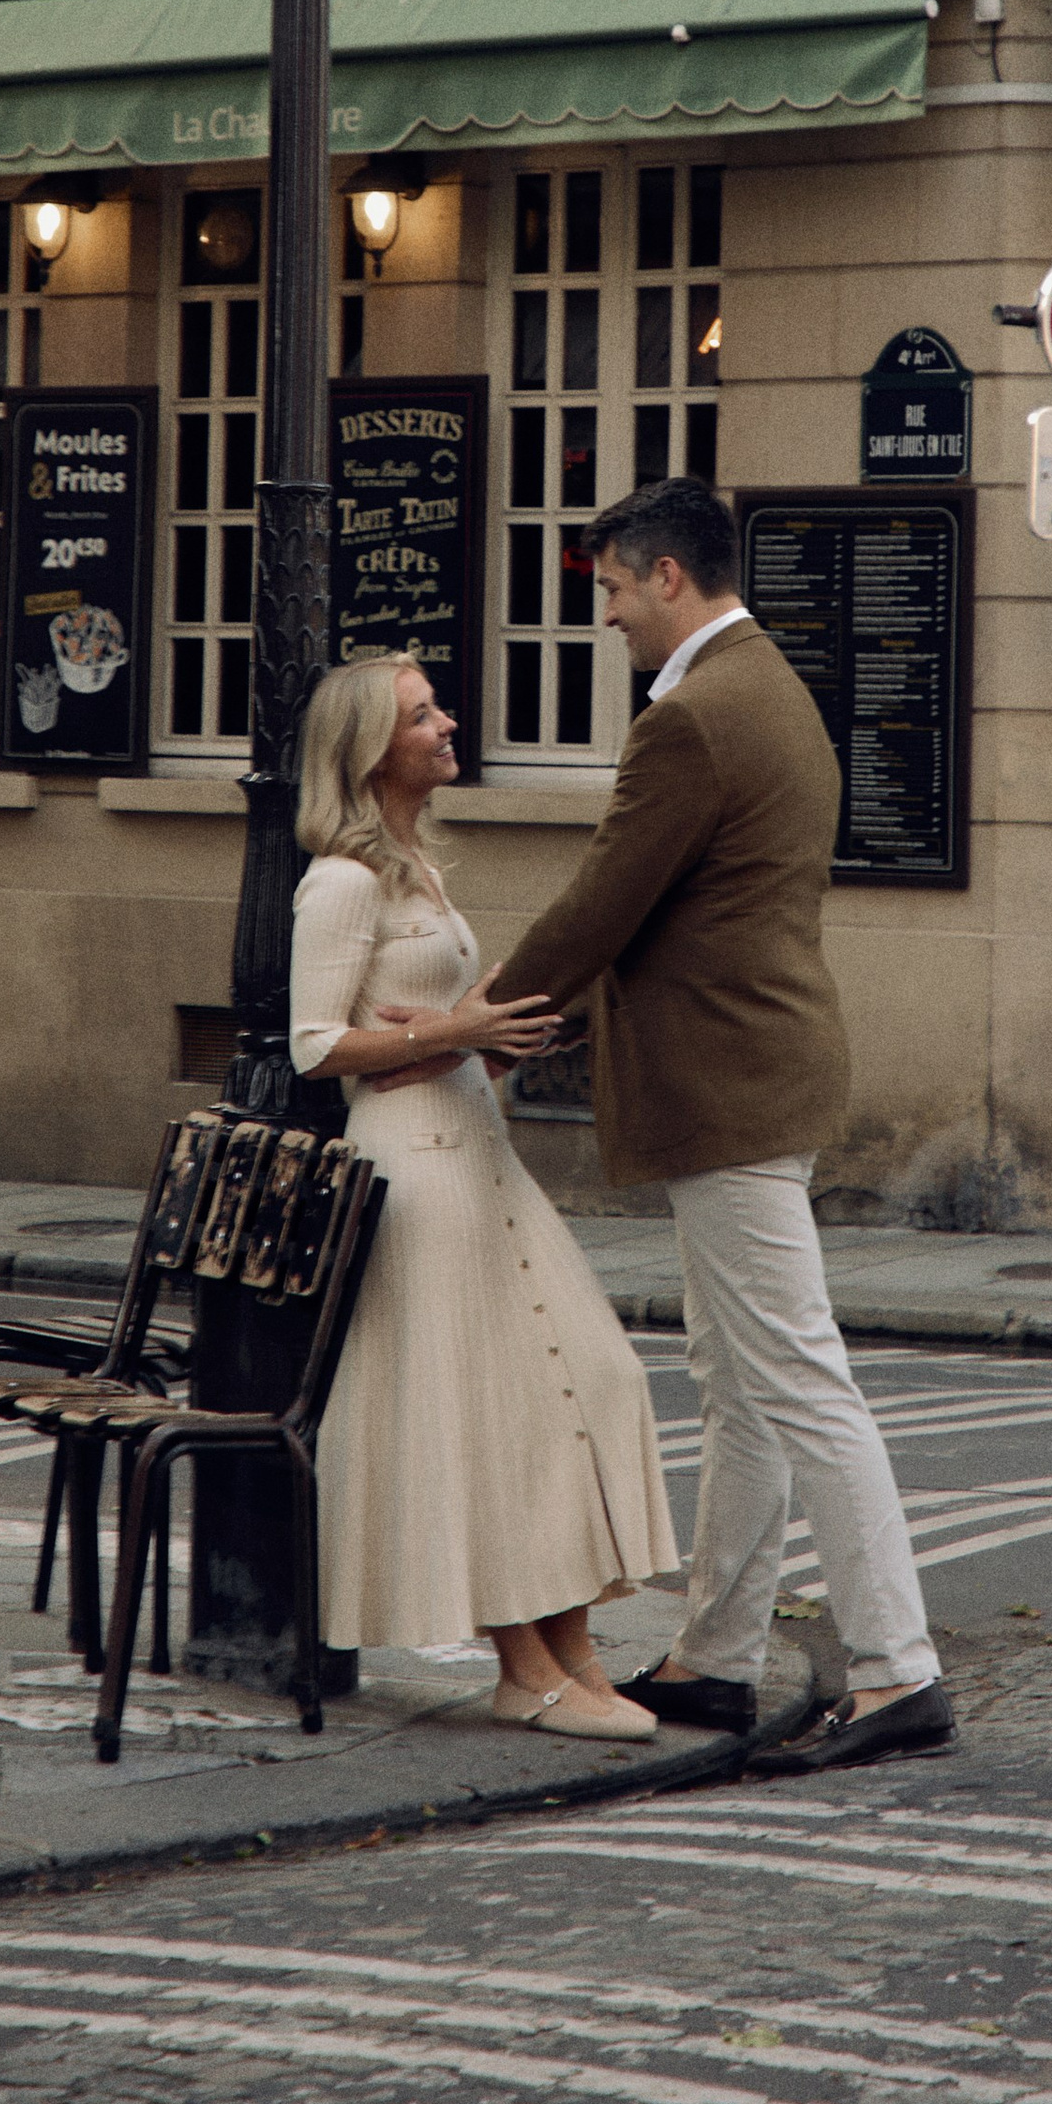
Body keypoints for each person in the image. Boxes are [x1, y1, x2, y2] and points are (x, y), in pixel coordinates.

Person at [498, 477, 953, 1776]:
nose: (606, 616)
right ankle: (716, 1656)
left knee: (799, 1381)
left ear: (668, 580)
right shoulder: (774, 686)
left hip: (730, 1088)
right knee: (743, 1384)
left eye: (610, 590)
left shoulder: (694, 718)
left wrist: (483, 1016)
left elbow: (604, 902)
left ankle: (896, 1668)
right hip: (764, 1075)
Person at [289, 651, 679, 1740]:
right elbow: (314, 1046)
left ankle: (574, 1655)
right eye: (423, 715)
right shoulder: (343, 880)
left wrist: (489, 1037)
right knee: (482, 1421)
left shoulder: (415, 865)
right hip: (414, 1173)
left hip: (477, 1147)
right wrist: (455, 1031)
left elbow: (425, 1024)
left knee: (585, 1383)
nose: (448, 722)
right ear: (372, 750)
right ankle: (526, 1668)